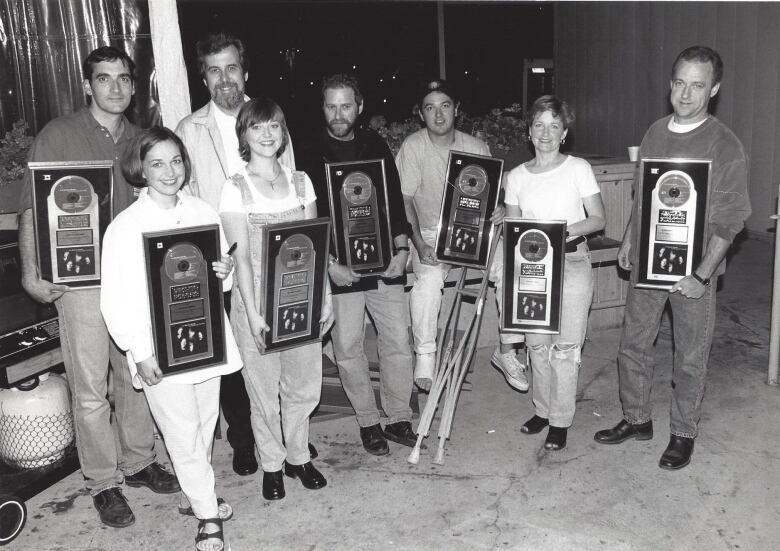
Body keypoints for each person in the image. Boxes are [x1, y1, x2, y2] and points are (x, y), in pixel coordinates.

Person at [17, 46, 178, 528]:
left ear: (133, 85)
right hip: (81, 285)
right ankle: (103, 482)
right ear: (88, 85)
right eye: (104, 79)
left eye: (124, 79)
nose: (115, 87)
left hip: (133, 278)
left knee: (134, 375)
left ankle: (139, 461)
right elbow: (31, 207)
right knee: (90, 390)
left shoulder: (141, 139)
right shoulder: (58, 135)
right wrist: (29, 273)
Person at [594, 46, 751, 469]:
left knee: (689, 355)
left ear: (713, 89)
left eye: (697, 85)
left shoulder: (724, 144)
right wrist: (629, 238)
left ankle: (683, 433)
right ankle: (636, 418)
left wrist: (701, 275)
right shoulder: (655, 133)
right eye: (679, 82)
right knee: (633, 345)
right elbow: (643, 196)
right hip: (648, 263)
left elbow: (732, 220)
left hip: (692, 274)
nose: (685, 93)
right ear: (670, 83)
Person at [101, 128, 240, 551]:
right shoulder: (125, 227)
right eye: (157, 162)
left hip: (204, 340)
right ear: (140, 168)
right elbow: (115, 300)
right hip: (158, 349)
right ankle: (207, 516)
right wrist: (138, 352)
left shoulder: (202, 210)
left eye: (176, 160)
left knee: (203, 425)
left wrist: (224, 272)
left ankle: (193, 493)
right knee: (179, 431)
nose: (168, 171)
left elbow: (219, 278)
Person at [174, 32, 298, 476]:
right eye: (213, 70)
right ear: (203, 77)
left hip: (274, 265)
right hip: (220, 263)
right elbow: (184, 195)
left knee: (281, 352)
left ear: (245, 71)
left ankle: (288, 440)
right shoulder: (190, 130)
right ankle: (244, 441)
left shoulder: (270, 121)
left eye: (231, 68)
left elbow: (292, 184)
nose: (224, 78)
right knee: (233, 361)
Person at [219, 98, 333, 501]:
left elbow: (316, 248)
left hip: (300, 300)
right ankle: (271, 463)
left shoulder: (302, 183)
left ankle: (298, 456)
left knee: (304, 386)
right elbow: (242, 260)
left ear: (283, 133)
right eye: (257, 127)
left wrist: (324, 299)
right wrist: (251, 312)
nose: (267, 135)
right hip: (258, 305)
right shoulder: (234, 189)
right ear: (244, 136)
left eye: (274, 126)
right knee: (263, 391)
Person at [297, 73, 416, 456]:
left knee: (398, 340)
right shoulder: (308, 151)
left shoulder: (374, 143)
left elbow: (395, 204)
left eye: (345, 105)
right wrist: (329, 264)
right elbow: (307, 218)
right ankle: (368, 422)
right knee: (348, 347)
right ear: (323, 108)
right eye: (331, 106)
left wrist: (401, 251)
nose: (338, 113)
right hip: (341, 268)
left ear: (359, 107)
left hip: (384, 264)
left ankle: (398, 416)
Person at [397, 79, 524, 393]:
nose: (438, 115)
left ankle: (507, 350)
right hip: (428, 232)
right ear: (421, 114)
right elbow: (404, 201)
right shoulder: (413, 146)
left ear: (457, 109)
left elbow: (489, 196)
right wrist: (419, 244)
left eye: (445, 106)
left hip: (474, 231)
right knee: (427, 282)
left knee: (511, 268)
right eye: (430, 108)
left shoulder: (476, 147)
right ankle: (426, 355)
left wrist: (499, 210)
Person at [500, 95, 605, 451]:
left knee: (565, 347)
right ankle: (542, 411)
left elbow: (598, 218)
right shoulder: (514, 177)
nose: (546, 133)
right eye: (539, 125)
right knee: (537, 345)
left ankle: (560, 421)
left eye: (554, 126)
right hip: (531, 268)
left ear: (564, 134)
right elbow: (514, 227)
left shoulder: (578, 168)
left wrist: (563, 233)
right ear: (530, 131)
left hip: (573, 262)